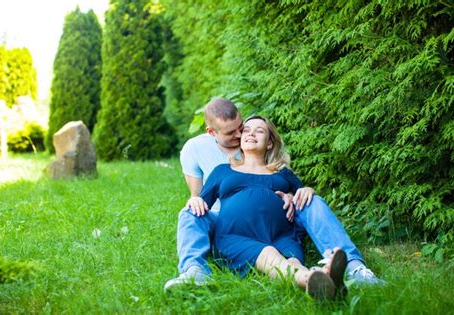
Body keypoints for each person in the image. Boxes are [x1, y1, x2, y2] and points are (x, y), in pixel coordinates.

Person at [164, 98, 382, 291]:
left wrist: (306, 190)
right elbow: (203, 201)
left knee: (305, 222)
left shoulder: (282, 173)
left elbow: (303, 196)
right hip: (236, 236)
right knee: (191, 211)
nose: (247, 133)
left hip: (281, 234)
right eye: (246, 130)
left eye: (258, 131)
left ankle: (353, 269)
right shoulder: (222, 171)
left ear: (269, 143)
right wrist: (196, 199)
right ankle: (195, 272)